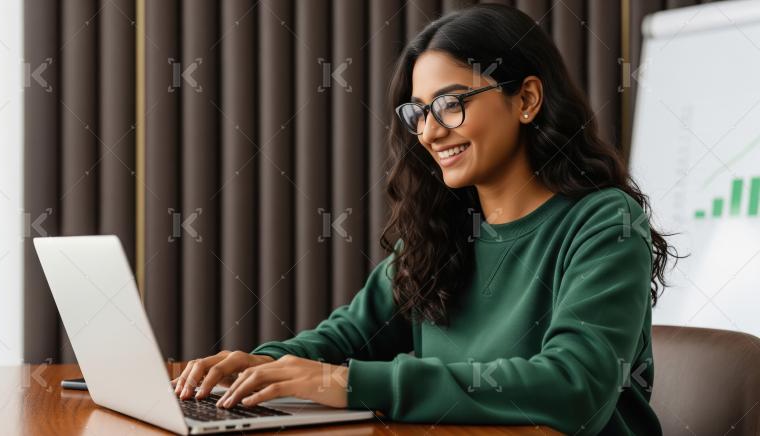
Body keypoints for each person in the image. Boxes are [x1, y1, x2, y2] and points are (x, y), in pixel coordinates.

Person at [171, 4, 677, 434]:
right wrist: (261, 365)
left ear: (525, 99)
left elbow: (574, 387)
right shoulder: (445, 229)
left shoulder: (605, 223)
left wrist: (346, 383)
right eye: (418, 113)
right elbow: (345, 339)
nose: (431, 133)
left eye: (450, 104)